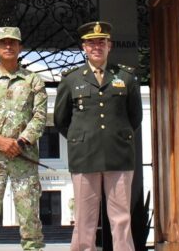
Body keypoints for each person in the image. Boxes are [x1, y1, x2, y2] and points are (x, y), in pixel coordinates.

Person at [54, 21, 143, 251]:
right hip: (84, 155)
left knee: (121, 218)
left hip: (118, 154)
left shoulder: (126, 76)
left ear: (109, 46)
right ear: (83, 47)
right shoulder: (71, 79)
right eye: (91, 43)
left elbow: (134, 117)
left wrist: (116, 137)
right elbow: (61, 120)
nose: (96, 47)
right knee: (84, 219)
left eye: (101, 42)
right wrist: (81, 139)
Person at [0, 26, 48, 250]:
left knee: (30, 217)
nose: (8, 46)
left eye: (13, 42)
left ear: (20, 47)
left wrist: (20, 143)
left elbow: (40, 117)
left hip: (24, 158)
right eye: (3, 43)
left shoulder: (33, 81)